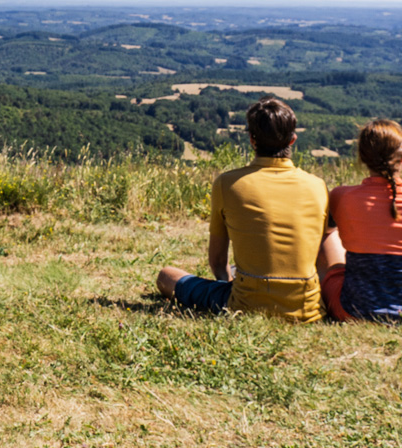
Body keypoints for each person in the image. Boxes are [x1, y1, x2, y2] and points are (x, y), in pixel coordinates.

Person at [156, 96, 328, 322]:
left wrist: (232, 284)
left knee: (167, 275)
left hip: (246, 305)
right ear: (292, 140)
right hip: (307, 308)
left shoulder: (228, 184)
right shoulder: (318, 186)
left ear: (252, 140)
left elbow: (218, 261)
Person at [319, 119, 402, 322]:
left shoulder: (341, 196)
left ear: (362, 157)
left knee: (327, 235)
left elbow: (323, 236)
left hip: (353, 310)